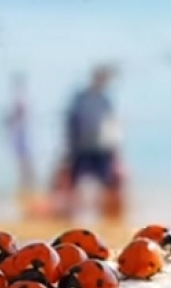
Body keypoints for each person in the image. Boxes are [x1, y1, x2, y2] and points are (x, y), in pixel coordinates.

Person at [65, 65, 125, 223]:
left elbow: (112, 128)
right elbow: (72, 123)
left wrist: (115, 153)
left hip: (101, 148)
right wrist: (70, 147)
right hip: (82, 148)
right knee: (77, 183)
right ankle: (74, 215)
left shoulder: (105, 100)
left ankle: (102, 215)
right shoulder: (81, 99)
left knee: (104, 184)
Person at [4, 72, 35, 195]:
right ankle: (26, 192)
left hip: (21, 135)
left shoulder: (20, 98)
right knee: (25, 167)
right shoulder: (21, 97)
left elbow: (14, 116)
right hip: (21, 135)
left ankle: (26, 192)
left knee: (25, 167)